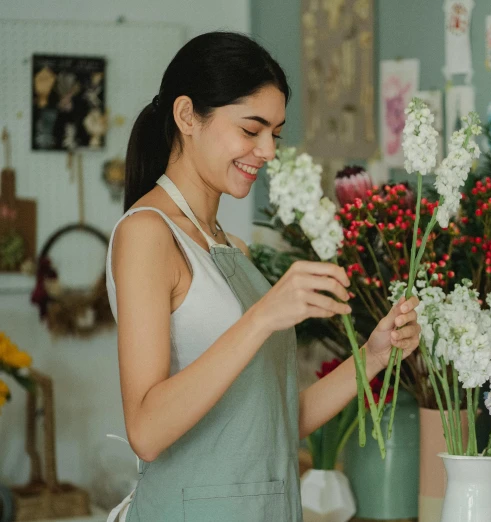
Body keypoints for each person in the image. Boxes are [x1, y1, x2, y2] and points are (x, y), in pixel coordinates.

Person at [105, 32, 421, 522]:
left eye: (275, 132)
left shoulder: (234, 249)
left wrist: (374, 357)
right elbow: (145, 431)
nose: (268, 151)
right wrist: (261, 318)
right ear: (187, 116)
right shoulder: (148, 234)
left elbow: (275, 420)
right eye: (251, 129)